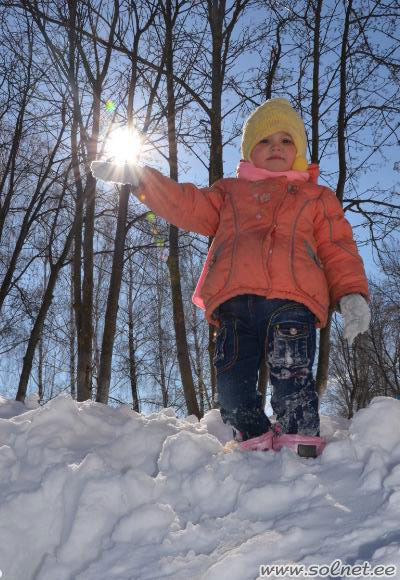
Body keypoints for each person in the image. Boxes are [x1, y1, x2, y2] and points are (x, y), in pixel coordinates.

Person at [91, 97, 370, 457]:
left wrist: (351, 293)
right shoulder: (229, 192)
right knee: (232, 388)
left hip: (293, 302)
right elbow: (186, 204)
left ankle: (300, 440)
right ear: (249, 151)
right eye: (265, 141)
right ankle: (253, 438)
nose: (276, 148)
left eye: (286, 141)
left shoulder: (316, 198)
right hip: (234, 305)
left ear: (298, 150)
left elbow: (338, 247)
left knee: (290, 376)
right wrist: (141, 177)